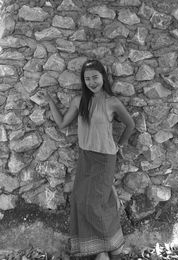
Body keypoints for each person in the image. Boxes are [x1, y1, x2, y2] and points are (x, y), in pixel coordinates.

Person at [39, 60, 135, 260]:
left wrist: (120, 146)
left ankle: (108, 248)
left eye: (95, 77)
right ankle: (102, 248)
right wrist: (49, 101)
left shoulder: (112, 102)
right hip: (85, 158)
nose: (92, 82)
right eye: (87, 78)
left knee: (96, 203)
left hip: (105, 159)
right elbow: (63, 123)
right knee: (80, 200)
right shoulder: (78, 101)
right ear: (83, 80)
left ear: (103, 77)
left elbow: (130, 125)